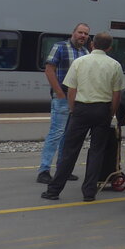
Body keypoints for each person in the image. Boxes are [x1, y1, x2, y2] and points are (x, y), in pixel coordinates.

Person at [40, 30, 123, 202]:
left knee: (69, 151)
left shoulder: (79, 62)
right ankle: (89, 193)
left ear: (92, 44)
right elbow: (116, 95)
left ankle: (54, 191)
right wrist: (110, 113)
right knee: (96, 152)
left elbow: (71, 90)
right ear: (109, 48)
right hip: (102, 110)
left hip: (80, 110)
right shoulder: (115, 65)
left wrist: (73, 109)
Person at [35, 22, 90, 184]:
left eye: (86, 34)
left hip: (77, 100)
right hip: (62, 98)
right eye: (80, 32)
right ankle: (44, 170)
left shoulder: (85, 52)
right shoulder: (60, 47)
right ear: (73, 33)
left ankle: (62, 170)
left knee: (68, 136)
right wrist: (59, 93)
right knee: (56, 133)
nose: (83, 36)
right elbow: (49, 69)